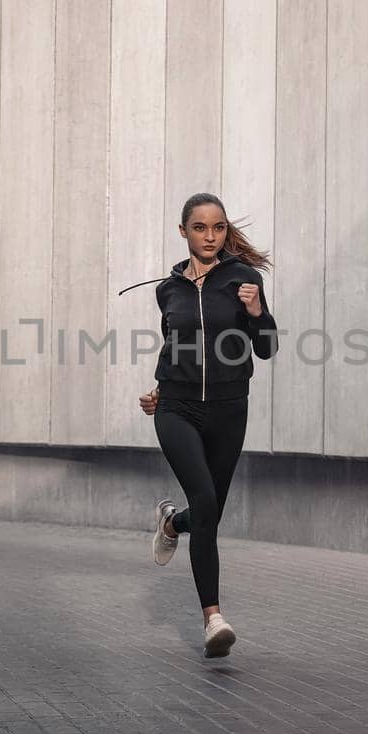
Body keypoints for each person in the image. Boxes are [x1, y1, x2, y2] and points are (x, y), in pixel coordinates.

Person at [137, 193, 278, 658]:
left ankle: (173, 524)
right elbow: (173, 347)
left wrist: (257, 313)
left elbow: (267, 348)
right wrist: (159, 389)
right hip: (177, 408)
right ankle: (213, 618)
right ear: (184, 232)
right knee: (205, 498)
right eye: (200, 228)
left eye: (218, 228)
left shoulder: (244, 280)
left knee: (209, 511)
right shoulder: (168, 289)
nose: (210, 236)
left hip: (228, 408)